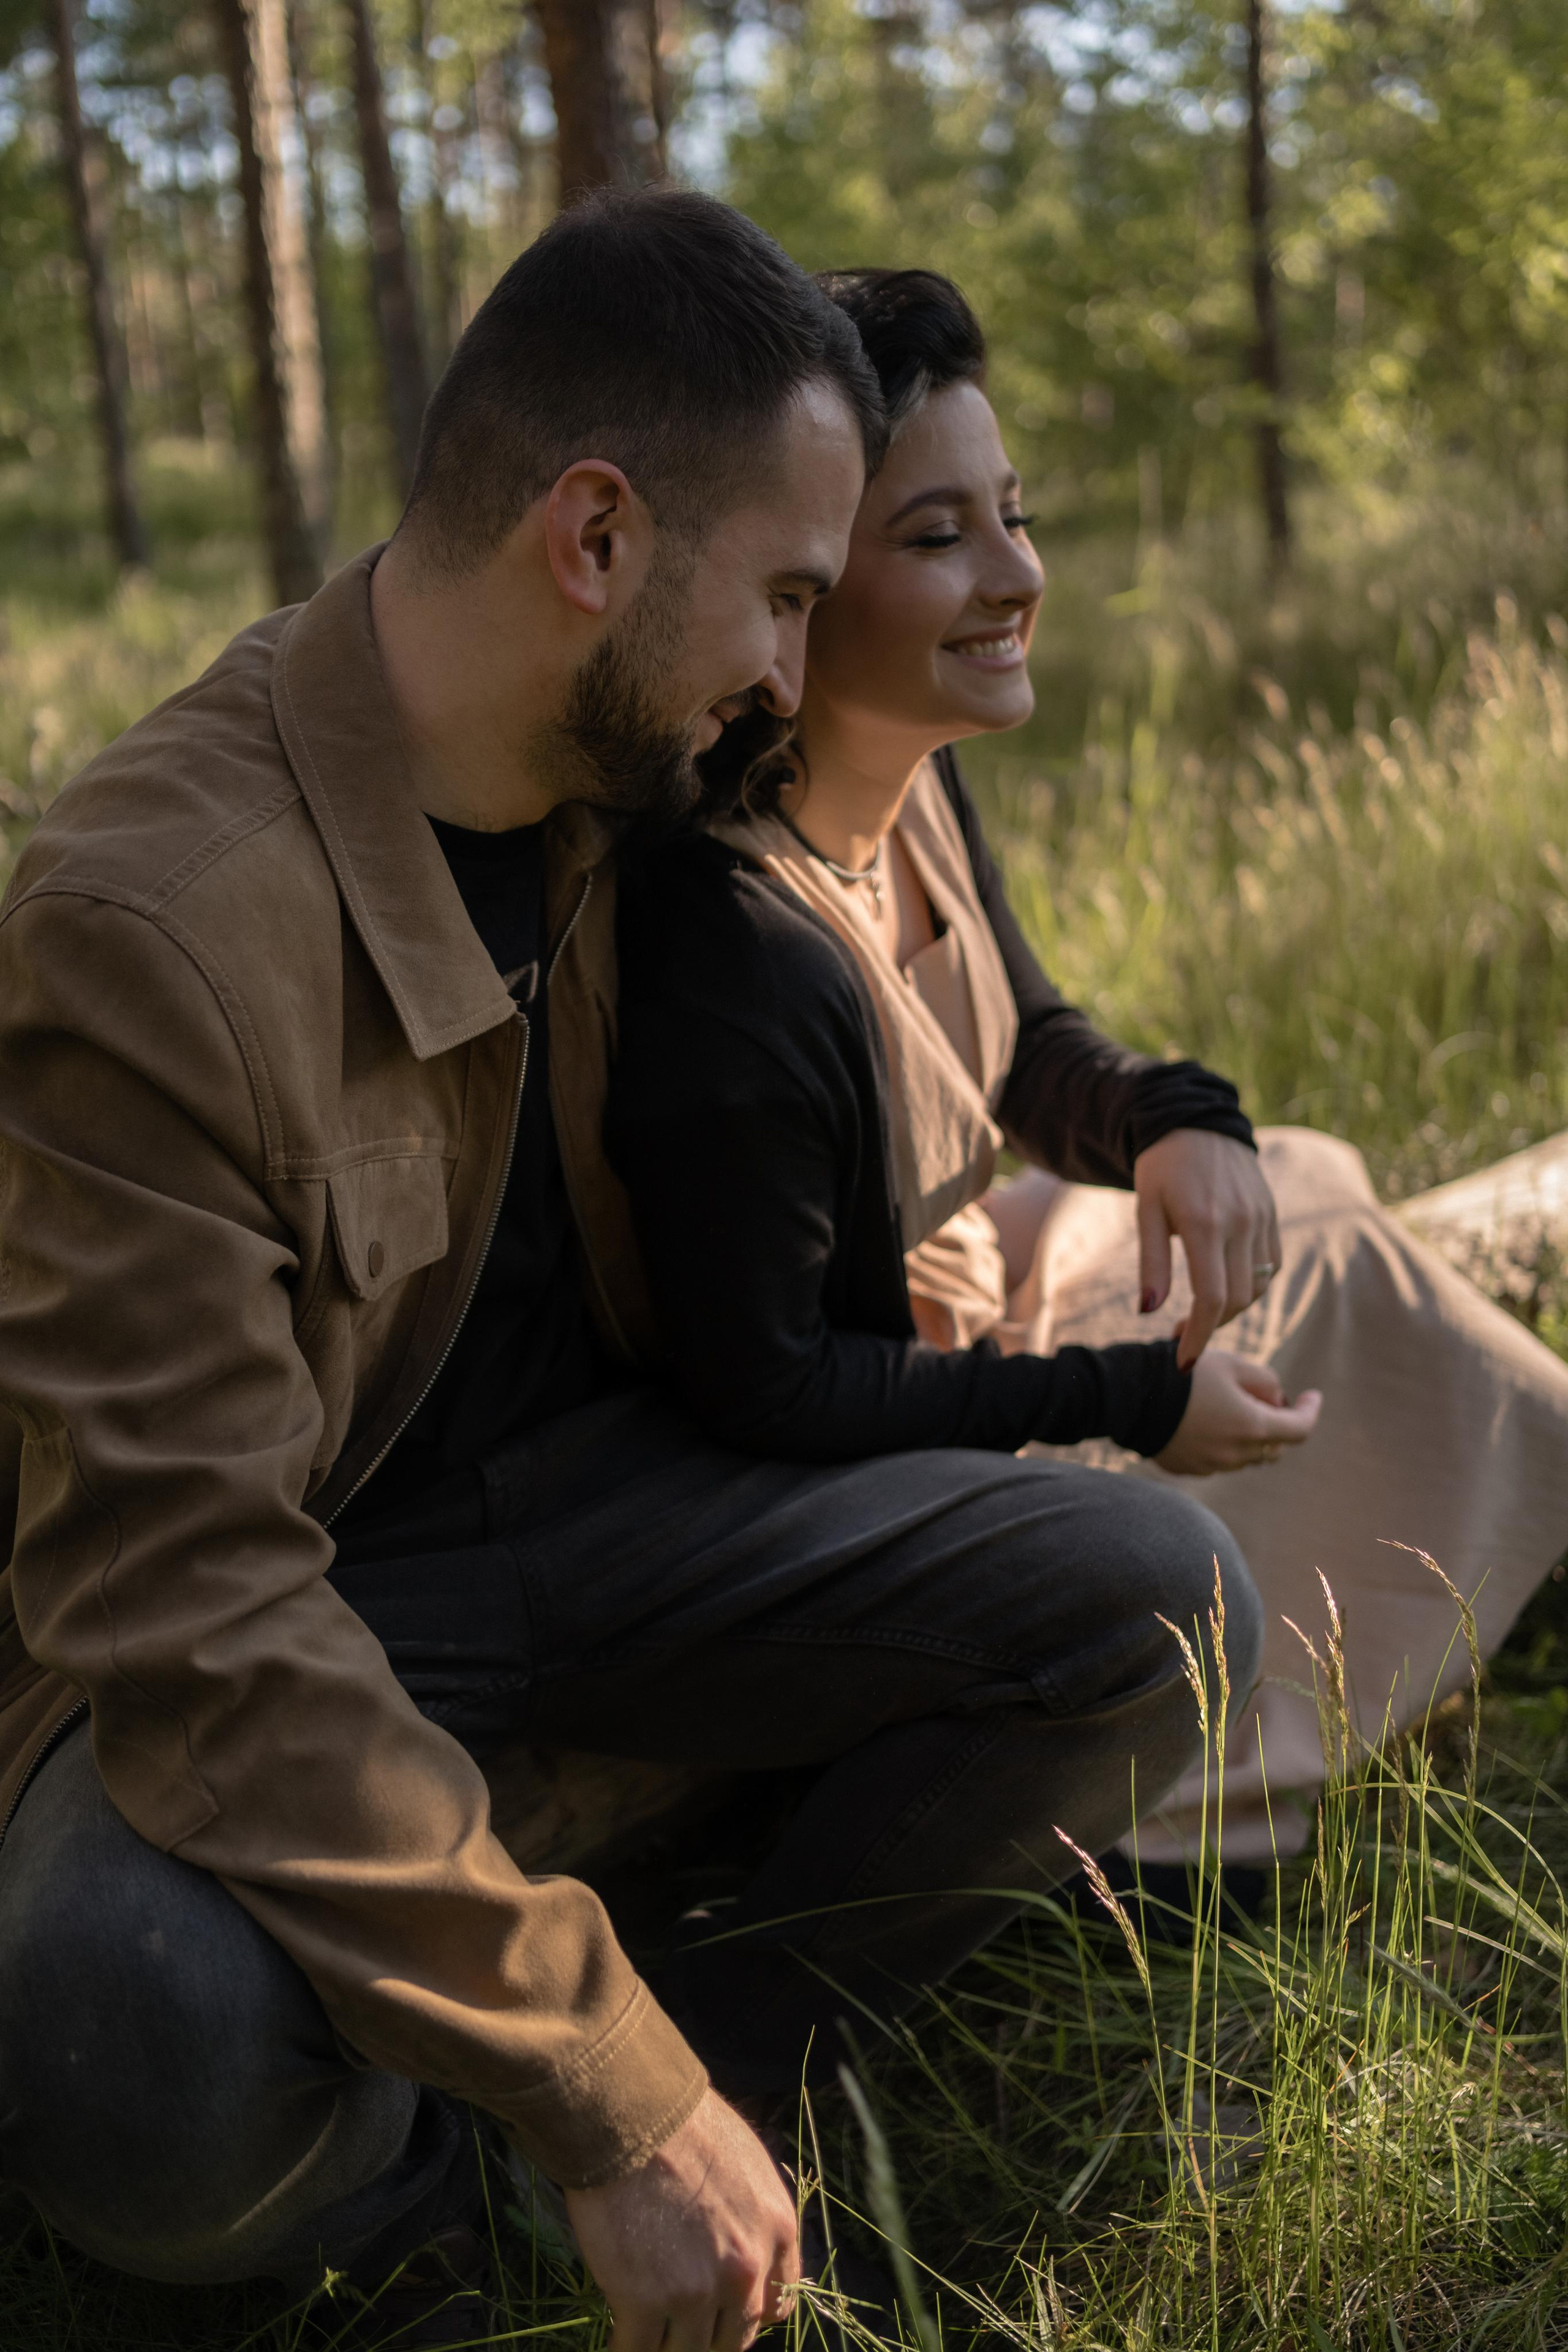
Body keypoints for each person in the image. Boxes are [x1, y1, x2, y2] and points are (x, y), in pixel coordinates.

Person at [0, 190, 1261, 2351]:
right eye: (779, 595)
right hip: (288, 1616)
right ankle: (469, 2169)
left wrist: (1171, 1110)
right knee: (137, 2055)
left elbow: (925, 881)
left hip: (612, 1517)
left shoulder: (625, 767)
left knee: (1165, 1608)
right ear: (591, 537)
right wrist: (605, 2095)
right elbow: (192, 1613)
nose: (794, 664)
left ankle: (723, 2060)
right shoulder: (154, 927)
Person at [606, 265, 1568, 1883]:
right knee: (1311, 1285)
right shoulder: (726, 938)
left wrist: (1168, 1119)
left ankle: (1499, 1559)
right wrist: (1135, 1402)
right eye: (937, 538)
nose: (1016, 575)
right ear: (796, 584)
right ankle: (1191, 1797)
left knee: (1303, 1176)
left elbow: (1026, 1041)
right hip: (887, 1440)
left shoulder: (908, 780)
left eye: (1016, 515)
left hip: (982, 1285)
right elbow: (774, 1398)